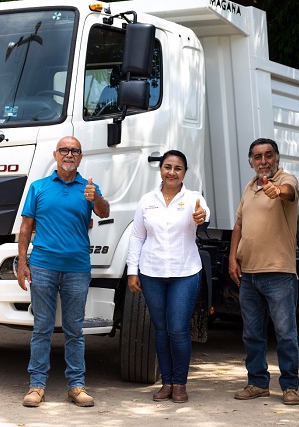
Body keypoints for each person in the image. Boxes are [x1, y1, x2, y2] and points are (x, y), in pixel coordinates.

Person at [17, 136, 110, 408]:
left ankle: (76, 386)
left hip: (77, 269)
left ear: (80, 157)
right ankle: (36, 386)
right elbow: (25, 228)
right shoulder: (39, 187)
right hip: (43, 266)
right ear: (56, 154)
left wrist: (98, 198)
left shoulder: (89, 188)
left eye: (75, 151)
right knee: (42, 328)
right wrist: (22, 263)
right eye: (64, 150)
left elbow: (104, 213)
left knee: (74, 330)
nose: (69, 154)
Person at [126, 150, 210, 403]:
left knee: (177, 329)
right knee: (161, 330)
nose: (172, 172)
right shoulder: (147, 200)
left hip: (185, 272)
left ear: (185, 172)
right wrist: (132, 271)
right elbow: (137, 236)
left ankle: (180, 384)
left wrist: (201, 217)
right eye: (167, 167)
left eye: (178, 168)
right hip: (151, 272)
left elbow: (203, 215)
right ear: (160, 169)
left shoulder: (194, 198)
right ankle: (167, 383)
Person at [228, 137, 299, 406]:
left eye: (268, 155)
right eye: (257, 157)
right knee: (252, 333)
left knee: (285, 333)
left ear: (277, 159)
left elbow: (288, 192)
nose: (263, 161)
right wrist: (232, 260)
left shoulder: (286, 179)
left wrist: (277, 191)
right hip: (249, 274)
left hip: (279, 273)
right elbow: (238, 226)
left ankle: (290, 387)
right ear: (251, 162)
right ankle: (257, 383)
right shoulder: (249, 188)